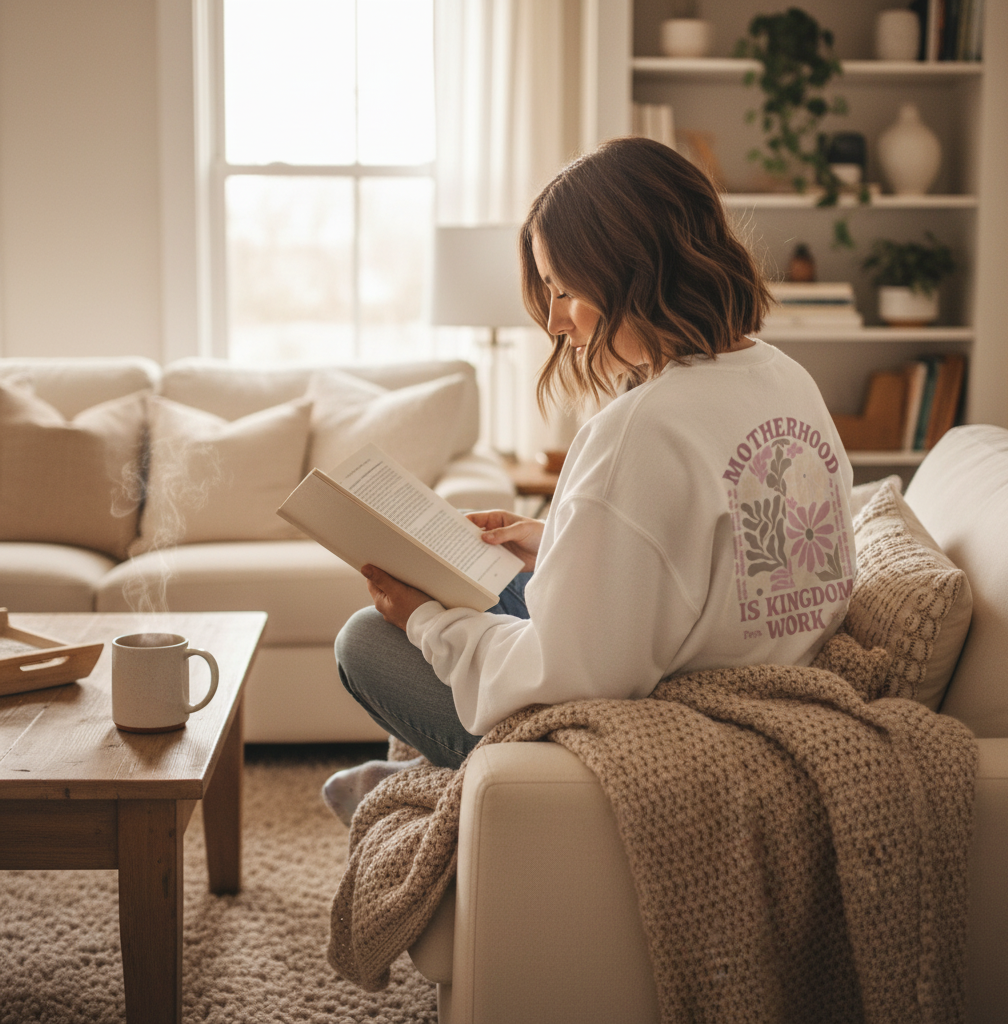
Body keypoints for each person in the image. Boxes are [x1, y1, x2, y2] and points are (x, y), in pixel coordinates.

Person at [322, 136, 855, 823]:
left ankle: (430, 784)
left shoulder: (641, 427)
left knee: (367, 639)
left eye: (565, 291)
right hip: (751, 663)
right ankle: (419, 772)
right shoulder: (786, 377)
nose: (553, 321)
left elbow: (573, 681)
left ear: (632, 270)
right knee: (496, 584)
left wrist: (428, 622)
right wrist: (560, 540)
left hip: (652, 711)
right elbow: (744, 560)